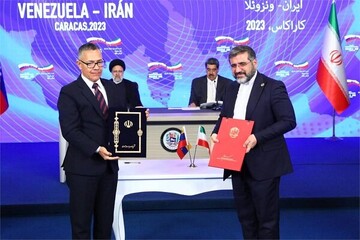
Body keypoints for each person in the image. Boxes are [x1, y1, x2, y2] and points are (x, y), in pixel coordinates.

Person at [210, 45, 296, 239]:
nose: (237, 69)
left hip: (265, 163)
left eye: (242, 64)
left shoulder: (274, 87)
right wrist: (216, 133)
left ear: (254, 62)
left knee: (267, 221)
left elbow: (288, 121)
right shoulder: (231, 88)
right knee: (246, 218)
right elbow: (225, 118)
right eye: (233, 65)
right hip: (236, 163)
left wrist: (257, 137)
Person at [57, 42, 121, 239]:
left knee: (104, 225)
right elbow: (70, 130)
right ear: (79, 64)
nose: (96, 68)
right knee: (81, 226)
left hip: (109, 169)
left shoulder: (113, 88)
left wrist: (137, 119)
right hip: (82, 168)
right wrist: (96, 148)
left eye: (100, 62)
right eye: (91, 63)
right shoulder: (69, 92)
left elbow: (121, 120)